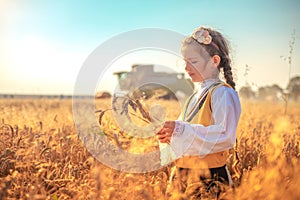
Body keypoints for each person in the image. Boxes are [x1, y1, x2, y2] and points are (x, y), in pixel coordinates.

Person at [156, 26, 241, 198]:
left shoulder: (222, 93)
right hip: (182, 174)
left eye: (193, 61)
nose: (186, 67)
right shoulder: (193, 96)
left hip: (209, 177)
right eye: (185, 61)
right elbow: (184, 134)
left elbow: (225, 135)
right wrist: (170, 135)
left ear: (214, 61)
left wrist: (180, 129)